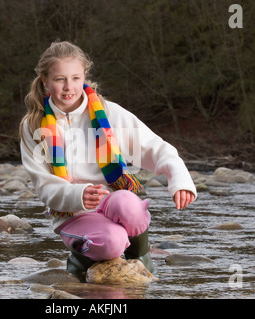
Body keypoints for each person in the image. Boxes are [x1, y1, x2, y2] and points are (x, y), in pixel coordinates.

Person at [19, 41, 196, 278]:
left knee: (130, 205)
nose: (68, 87)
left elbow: (154, 147)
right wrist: (78, 194)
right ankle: (80, 258)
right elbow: (44, 186)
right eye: (60, 79)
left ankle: (140, 257)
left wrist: (180, 179)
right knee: (113, 241)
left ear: (84, 77)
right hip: (71, 213)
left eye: (75, 78)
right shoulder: (33, 126)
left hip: (111, 199)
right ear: (45, 80)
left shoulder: (109, 113)